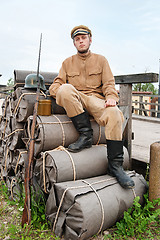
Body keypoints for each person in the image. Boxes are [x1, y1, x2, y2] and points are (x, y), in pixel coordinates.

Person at [49, 25, 135, 189]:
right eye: (77, 39)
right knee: (65, 89)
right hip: (76, 98)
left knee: (115, 114)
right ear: (74, 44)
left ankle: (115, 166)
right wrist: (58, 92)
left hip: (96, 99)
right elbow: (57, 84)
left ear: (90, 40)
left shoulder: (101, 60)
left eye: (83, 38)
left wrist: (110, 97)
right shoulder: (67, 63)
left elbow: (109, 84)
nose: (81, 41)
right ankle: (85, 135)